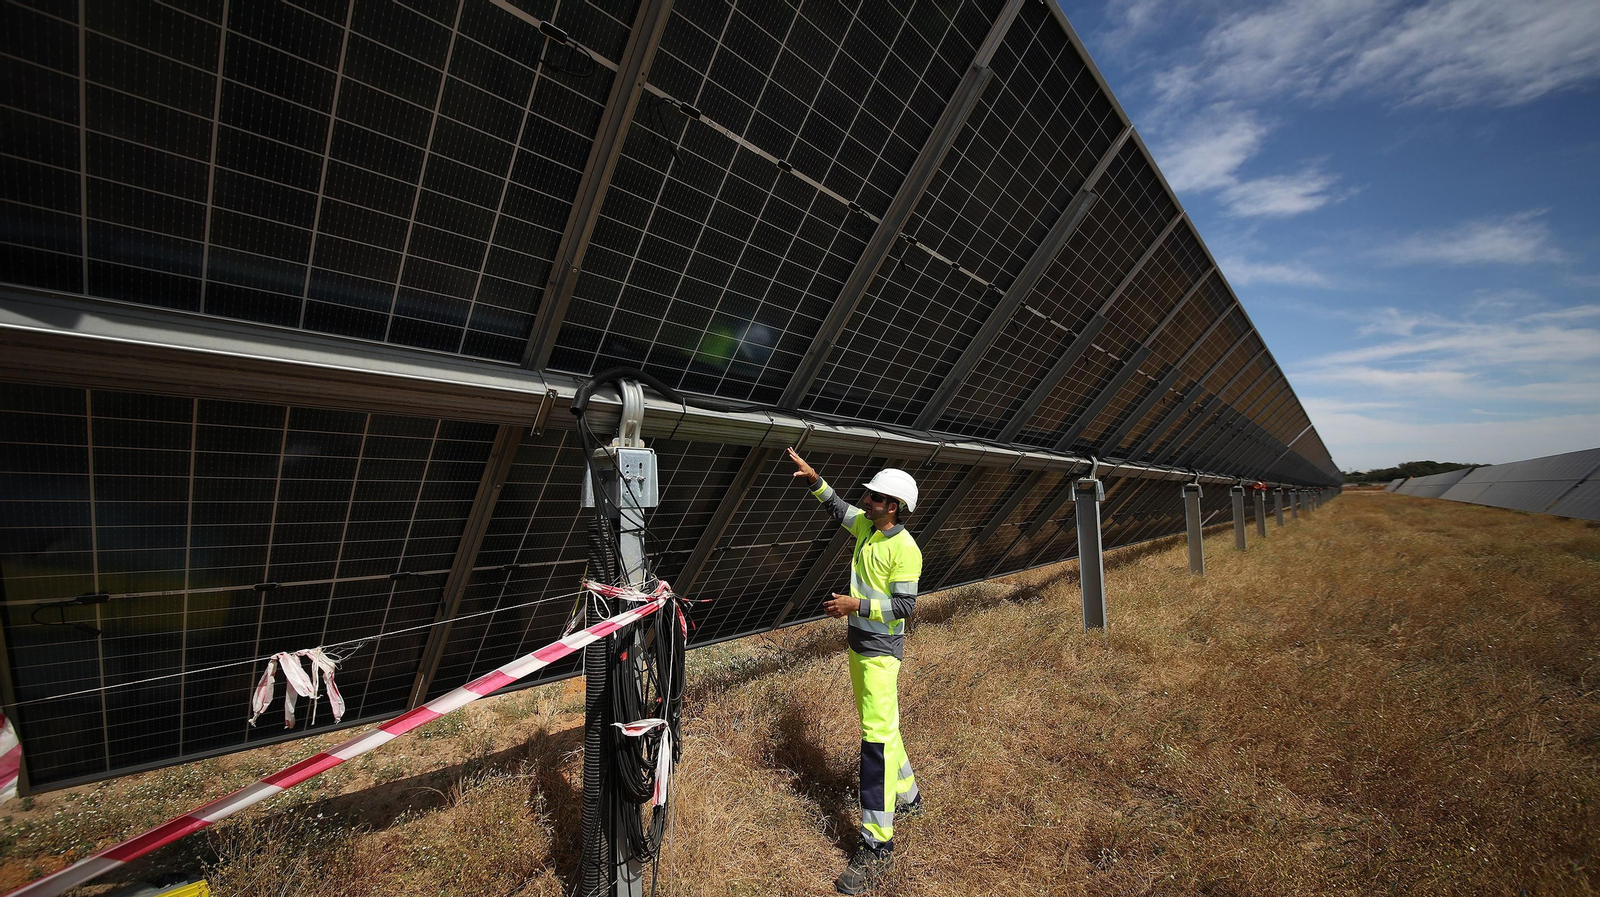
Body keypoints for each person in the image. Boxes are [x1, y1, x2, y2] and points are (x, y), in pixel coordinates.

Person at [786, 447, 924, 895]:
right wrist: (813, 478)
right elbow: (837, 508)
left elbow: (905, 607)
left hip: (882, 653)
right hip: (859, 647)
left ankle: (877, 844)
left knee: (876, 743)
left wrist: (856, 605)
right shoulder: (866, 526)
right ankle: (908, 796)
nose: (866, 501)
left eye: (875, 498)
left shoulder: (905, 549)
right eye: (868, 496)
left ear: (894, 507)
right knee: (881, 722)